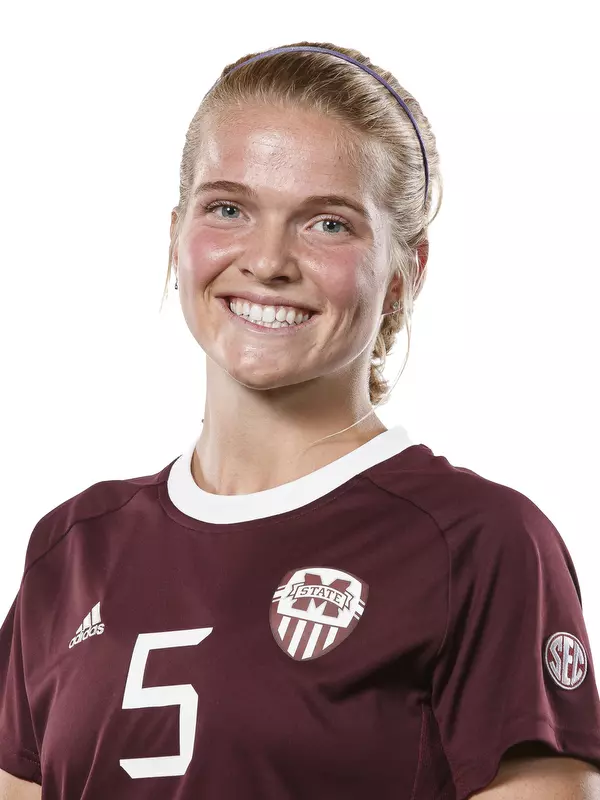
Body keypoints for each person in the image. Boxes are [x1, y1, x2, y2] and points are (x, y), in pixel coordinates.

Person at [1, 40, 599, 800]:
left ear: (405, 271)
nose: (269, 259)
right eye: (228, 208)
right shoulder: (72, 547)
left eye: (328, 224)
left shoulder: (479, 543)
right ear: (177, 232)